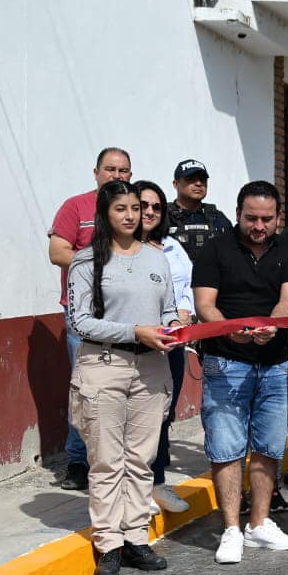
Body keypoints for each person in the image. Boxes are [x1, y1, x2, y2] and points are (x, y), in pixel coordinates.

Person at [66, 181, 181, 575]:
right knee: (106, 460)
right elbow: (78, 321)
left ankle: (136, 538)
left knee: (141, 457)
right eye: (122, 209)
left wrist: (173, 326)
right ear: (105, 213)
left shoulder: (157, 259)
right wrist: (137, 331)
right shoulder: (86, 261)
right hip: (103, 365)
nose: (132, 215)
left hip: (152, 367)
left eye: (137, 208)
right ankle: (109, 543)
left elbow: (167, 308)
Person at [192, 180, 288, 565]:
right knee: (226, 447)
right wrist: (229, 329)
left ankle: (259, 523)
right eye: (251, 218)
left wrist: (273, 325)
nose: (259, 226)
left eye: (266, 219)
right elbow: (205, 303)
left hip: (274, 364)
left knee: (268, 446)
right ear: (238, 213)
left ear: (278, 218)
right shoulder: (214, 248)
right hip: (225, 362)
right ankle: (230, 529)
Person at [49, 147, 133, 491]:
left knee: (128, 389)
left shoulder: (134, 209)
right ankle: (79, 461)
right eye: (110, 169)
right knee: (85, 390)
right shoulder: (76, 207)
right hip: (84, 314)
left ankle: (120, 461)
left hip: (127, 316)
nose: (117, 175)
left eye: (123, 170)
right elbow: (58, 252)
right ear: (96, 172)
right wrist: (102, 266)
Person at [132, 181, 194, 514]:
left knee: (162, 416)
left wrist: (183, 313)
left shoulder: (172, 247)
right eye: (143, 205)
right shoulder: (120, 248)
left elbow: (188, 286)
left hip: (170, 345)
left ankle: (156, 484)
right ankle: (135, 489)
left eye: (156, 207)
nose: (150, 212)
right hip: (134, 346)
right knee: (135, 419)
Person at [167, 159, 233, 259]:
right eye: (191, 179)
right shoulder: (163, 216)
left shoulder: (218, 218)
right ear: (176, 184)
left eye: (202, 179)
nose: (198, 183)